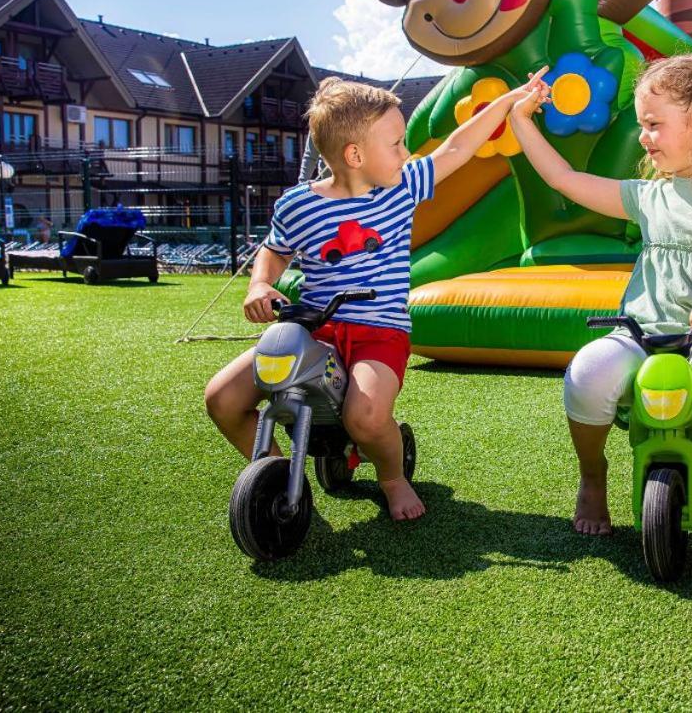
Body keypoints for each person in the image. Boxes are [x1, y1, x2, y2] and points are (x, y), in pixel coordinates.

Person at [204, 72, 549, 520]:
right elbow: (273, 251)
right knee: (222, 399)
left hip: (379, 333)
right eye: (397, 144)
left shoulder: (402, 186)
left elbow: (457, 148)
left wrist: (508, 102)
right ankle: (274, 471)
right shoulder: (296, 204)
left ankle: (391, 477)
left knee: (365, 418)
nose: (407, 153)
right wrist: (260, 284)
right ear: (355, 155)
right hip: (313, 329)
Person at [509, 55, 692, 549]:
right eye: (642, 125)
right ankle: (593, 477)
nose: (643, 136)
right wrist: (520, 121)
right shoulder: (646, 197)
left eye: (653, 124)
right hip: (642, 334)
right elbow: (562, 179)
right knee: (587, 373)